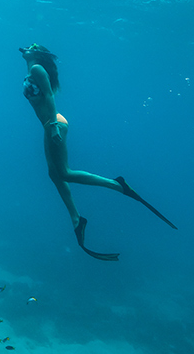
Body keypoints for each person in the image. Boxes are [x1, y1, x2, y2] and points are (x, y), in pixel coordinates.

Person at [20, 43, 177, 261]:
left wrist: (54, 126)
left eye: (32, 46)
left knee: (64, 173)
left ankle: (118, 185)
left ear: (39, 53)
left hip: (53, 124)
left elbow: (48, 96)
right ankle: (76, 218)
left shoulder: (37, 69)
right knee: (53, 174)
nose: (27, 47)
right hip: (48, 125)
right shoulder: (32, 68)